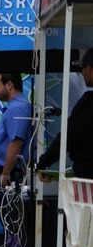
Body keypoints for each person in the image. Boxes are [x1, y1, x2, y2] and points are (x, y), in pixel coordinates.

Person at [0, 72, 33, 247]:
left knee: (13, 220)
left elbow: (16, 142)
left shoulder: (19, 107)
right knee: (9, 220)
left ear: (10, 85)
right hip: (4, 173)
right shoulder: (14, 108)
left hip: (10, 175)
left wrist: (5, 173)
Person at [37, 49, 93, 179]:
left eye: (82, 69)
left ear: (89, 68)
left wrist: (43, 163)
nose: (82, 74)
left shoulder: (88, 103)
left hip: (88, 181)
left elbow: (67, 138)